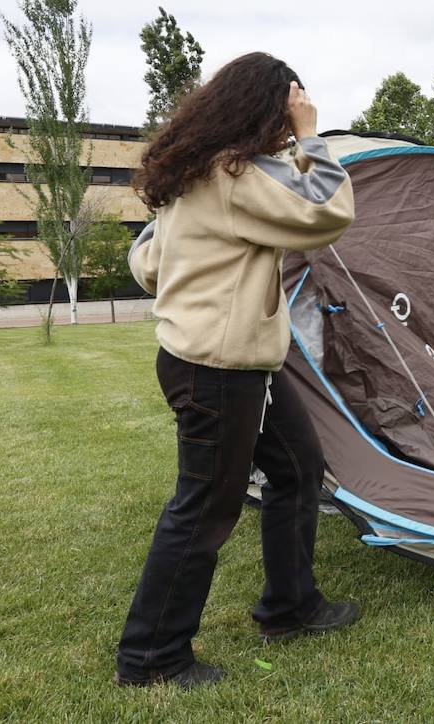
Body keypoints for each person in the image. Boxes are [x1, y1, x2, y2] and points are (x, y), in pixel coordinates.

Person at [115, 53, 359, 690]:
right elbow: (326, 211)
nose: (288, 127)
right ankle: (151, 658)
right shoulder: (232, 172)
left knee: (299, 468)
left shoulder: (199, 169)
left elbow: (145, 262)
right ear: (266, 109)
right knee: (203, 509)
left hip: (234, 365)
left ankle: (290, 605)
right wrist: (312, 135)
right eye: (286, 111)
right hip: (216, 369)